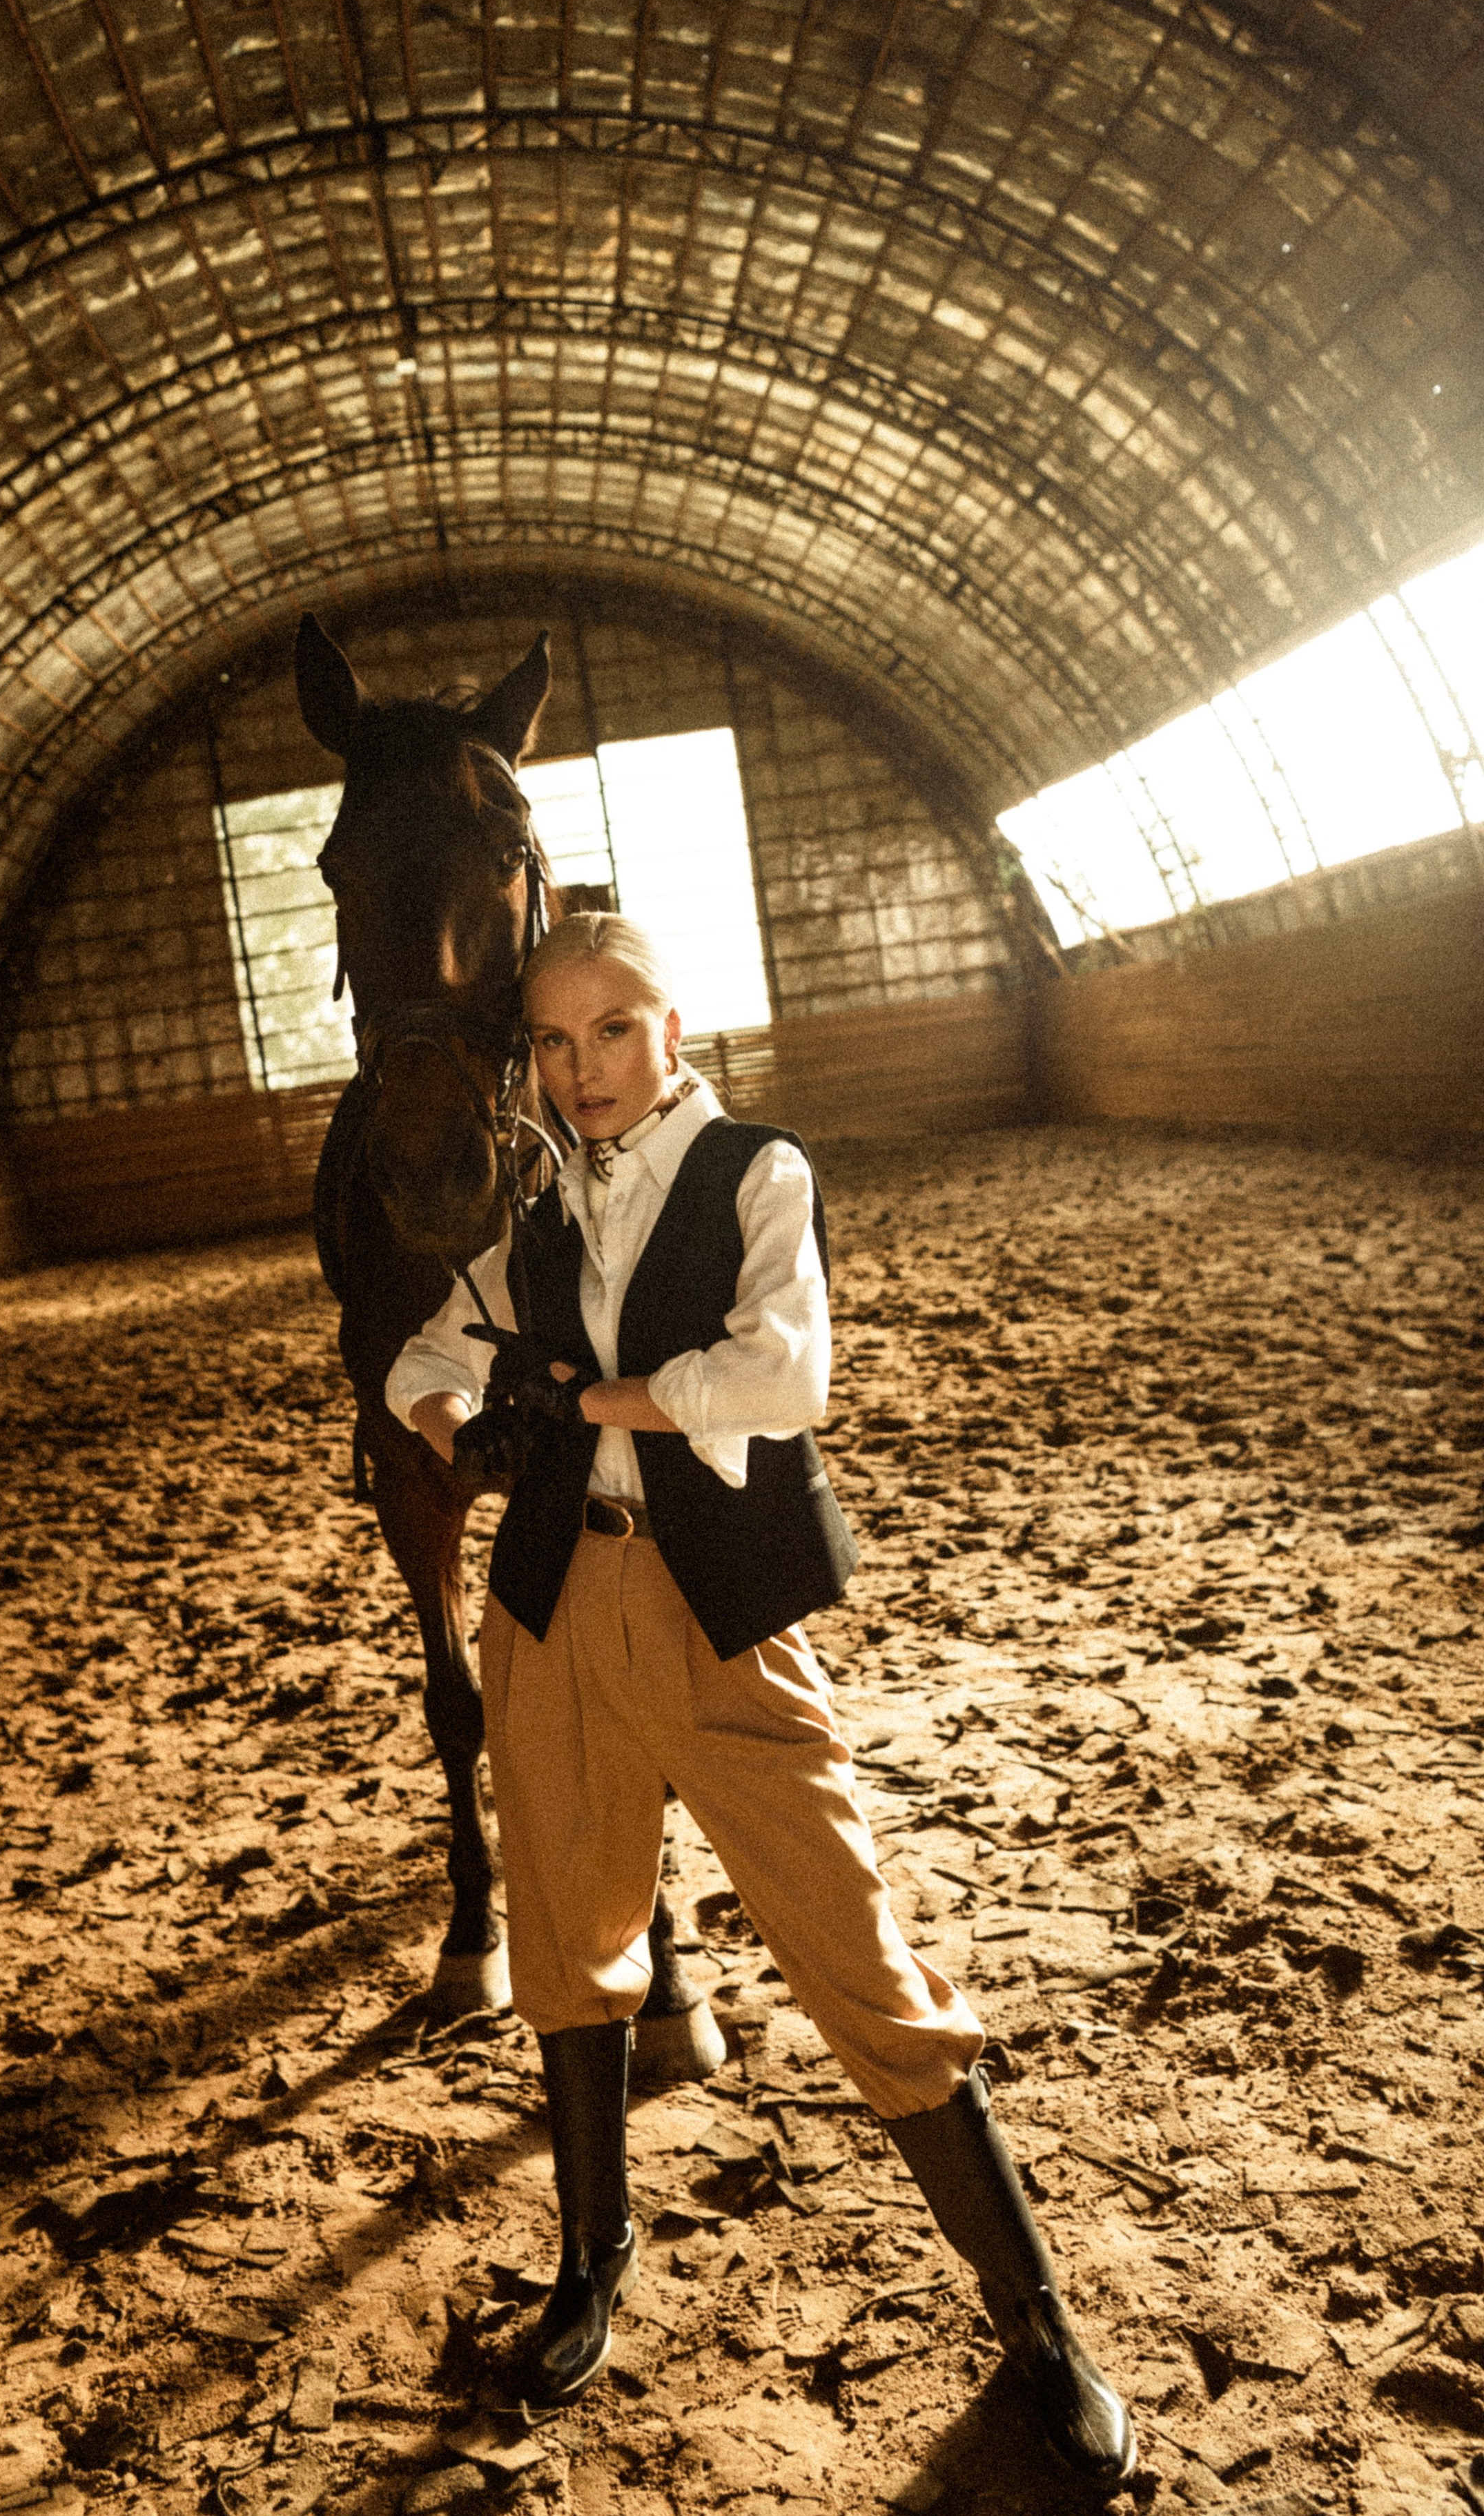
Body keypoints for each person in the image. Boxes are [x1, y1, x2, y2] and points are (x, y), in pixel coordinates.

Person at [384, 913, 1135, 2490]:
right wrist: (468, 1428)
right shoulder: (529, 1206)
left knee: (854, 1950)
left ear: (671, 1026)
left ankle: (1037, 2320)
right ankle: (592, 2261)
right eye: (546, 1040)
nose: (575, 1068)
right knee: (570, 1948)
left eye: (607, 1031)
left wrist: (583, 1398)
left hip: (717, 1609)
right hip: (546, 1613)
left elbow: (785, 1374)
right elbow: (418, 1357)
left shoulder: (755, 1174)